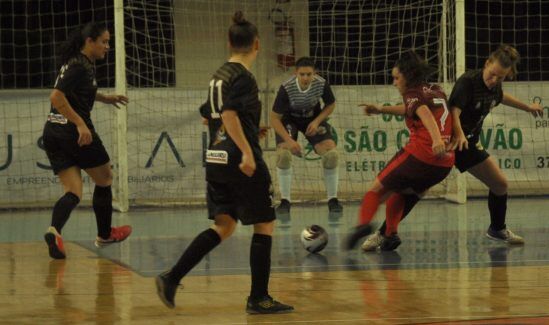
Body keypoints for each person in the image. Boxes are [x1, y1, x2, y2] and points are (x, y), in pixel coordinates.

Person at [155, 11, 293, 314]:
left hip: (216, 157)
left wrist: (245, 129)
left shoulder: (218, 75)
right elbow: (228, 114)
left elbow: (209, 114)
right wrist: (245, 148)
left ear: (228, 42)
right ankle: (259, 298)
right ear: (257, 44)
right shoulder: (243, 77)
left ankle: (171, 277)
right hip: (238, 159)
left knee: (225, 225)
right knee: (265, 223)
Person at [361, 44, 543, 251]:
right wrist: (458, 134)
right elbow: (453, 112)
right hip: (450, 141)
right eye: (492, 75)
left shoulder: (494, 86)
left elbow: (500, 97)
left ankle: (497, 229)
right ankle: (384, 233)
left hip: (468, 144)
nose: (494, 80)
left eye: (500, 78)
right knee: (413, 191)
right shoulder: (468, 82)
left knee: (500, 184)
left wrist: (528, 107)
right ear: (486, 64)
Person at [345, 51, 455, 251]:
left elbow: (424, 113)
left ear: (409, 75)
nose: (394, 82)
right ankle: (390, 234)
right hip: (444, 163)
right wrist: (381, 108)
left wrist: (436, 138)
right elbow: (410, 109)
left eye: (396, 78)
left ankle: (362, 225)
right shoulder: (435, 90)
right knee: (403, 193)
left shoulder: (412, 93)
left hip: (421, 154)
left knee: (375, 190)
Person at [42, 22, 132, 260]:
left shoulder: (78, 63)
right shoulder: (80, 66)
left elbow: (77, 91)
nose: (107, 46)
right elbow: (56, 96)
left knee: (73, 191)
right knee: (105, 179)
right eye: (104, 41)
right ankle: (104, 234)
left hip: (53, 132)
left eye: (108, 41)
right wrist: (80, 124)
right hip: (73, 133)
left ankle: (54, 231)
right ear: (89, 42)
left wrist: (105, 98)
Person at [270, 57, 342, 214]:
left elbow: (331, 105)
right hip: (289, 120)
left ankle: (333, 200)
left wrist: (317, 122)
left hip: (312, 118)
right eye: (302, 74)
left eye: (309, 74)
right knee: (283, 156)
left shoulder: (321, 83)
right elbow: (274, 119)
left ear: (314, 73)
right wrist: (289, 141)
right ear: (296, 73)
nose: (305, 78)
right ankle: (285, 201)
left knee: (331, 155)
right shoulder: (286, 88)